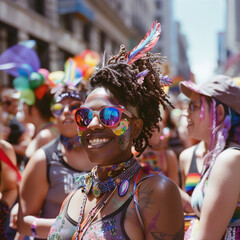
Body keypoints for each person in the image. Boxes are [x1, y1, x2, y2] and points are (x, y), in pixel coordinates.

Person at [48, 22, 184, 240]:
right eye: (84, 116)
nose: (92, 125)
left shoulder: (154, 191)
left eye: (109, 115)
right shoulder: (77, 194)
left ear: (136, 126)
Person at [15, 80, 95, 239]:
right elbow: (23, 223)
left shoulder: (103, 153)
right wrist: (73, 227)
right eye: (58, 108)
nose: (66, 111)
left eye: (74, 106)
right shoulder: (43, 159)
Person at [178, 75, 240, 239]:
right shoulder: (219, 157)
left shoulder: (229, 159)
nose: (185, 113)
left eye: (194, 106)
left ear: (219, 113)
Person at [139, 107, 179, 185]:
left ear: (163, 126)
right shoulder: (135, 153)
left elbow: (175, 188)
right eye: (150, 125)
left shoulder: (168, 155)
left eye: (157, 125)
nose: (154, 129)